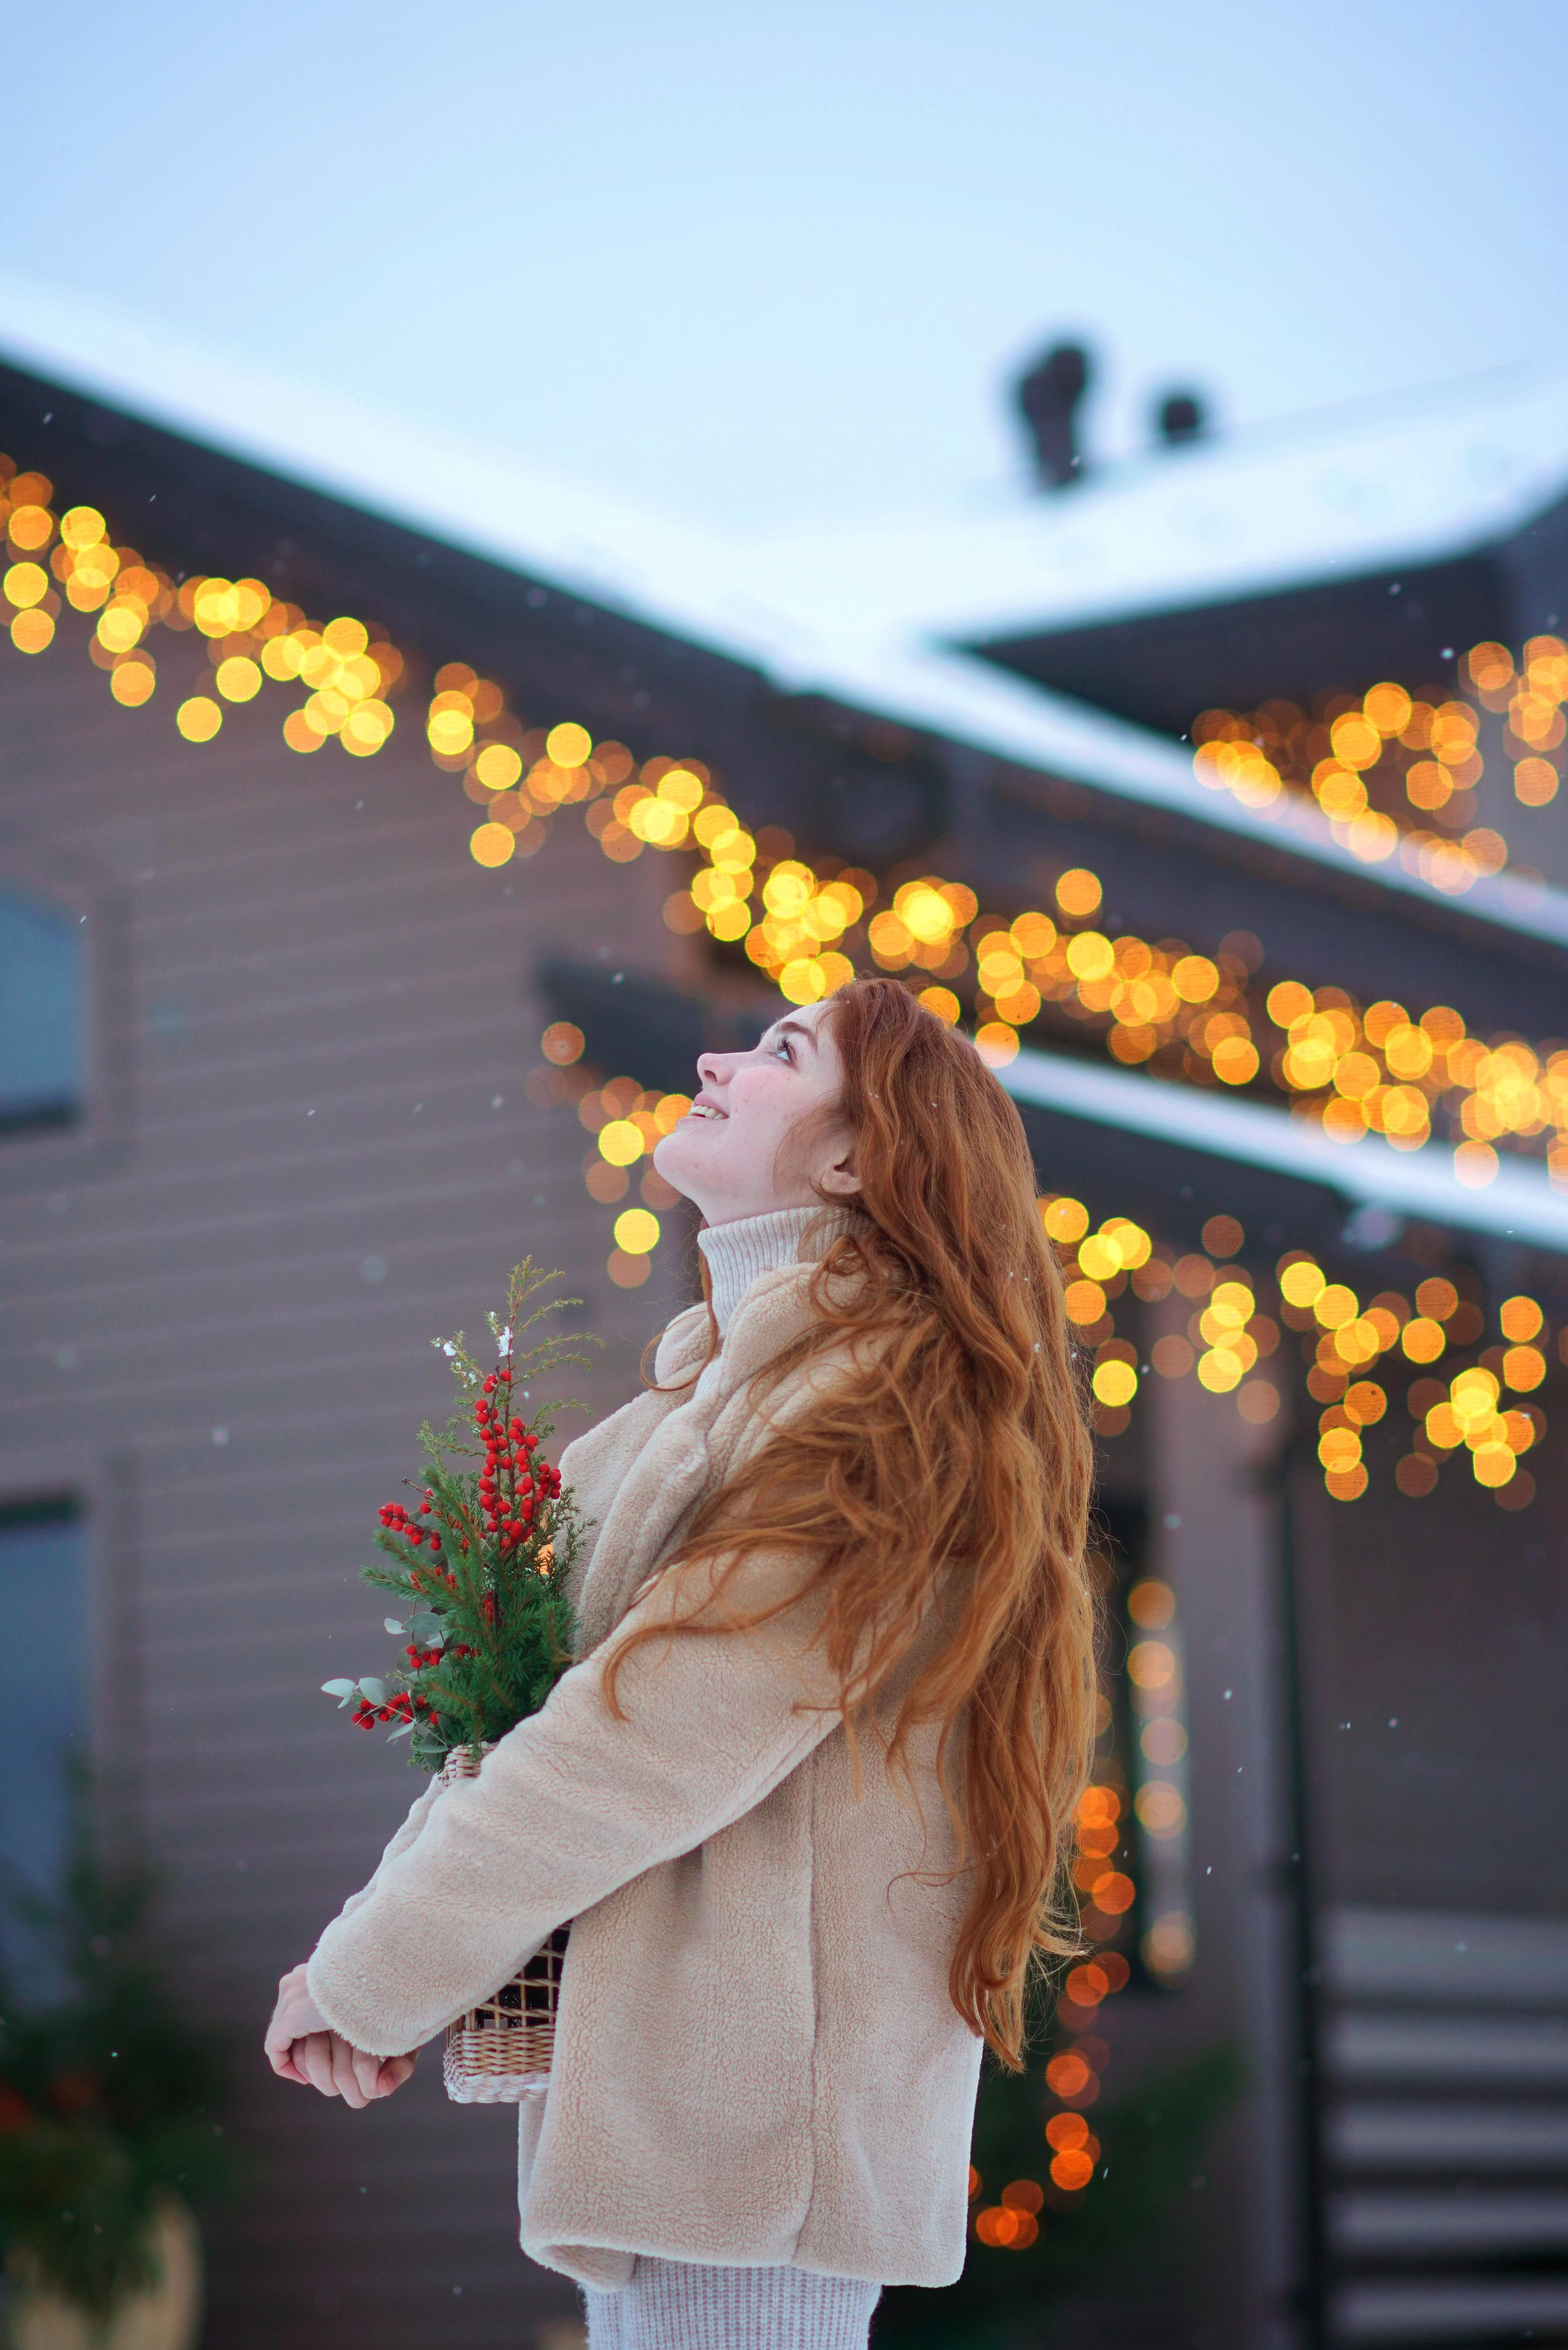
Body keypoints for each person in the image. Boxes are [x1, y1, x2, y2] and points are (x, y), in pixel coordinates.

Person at [265, 976, 1098, 2350]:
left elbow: (635, 1738)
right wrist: (376, 1958)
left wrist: (372, 1970)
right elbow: (521, 1715)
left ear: (852, 1154)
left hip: (751, 2146)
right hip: (675, 2122)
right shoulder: (693, 1412)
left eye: (779, 1050)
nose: (715, 1056)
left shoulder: (873, 1416)